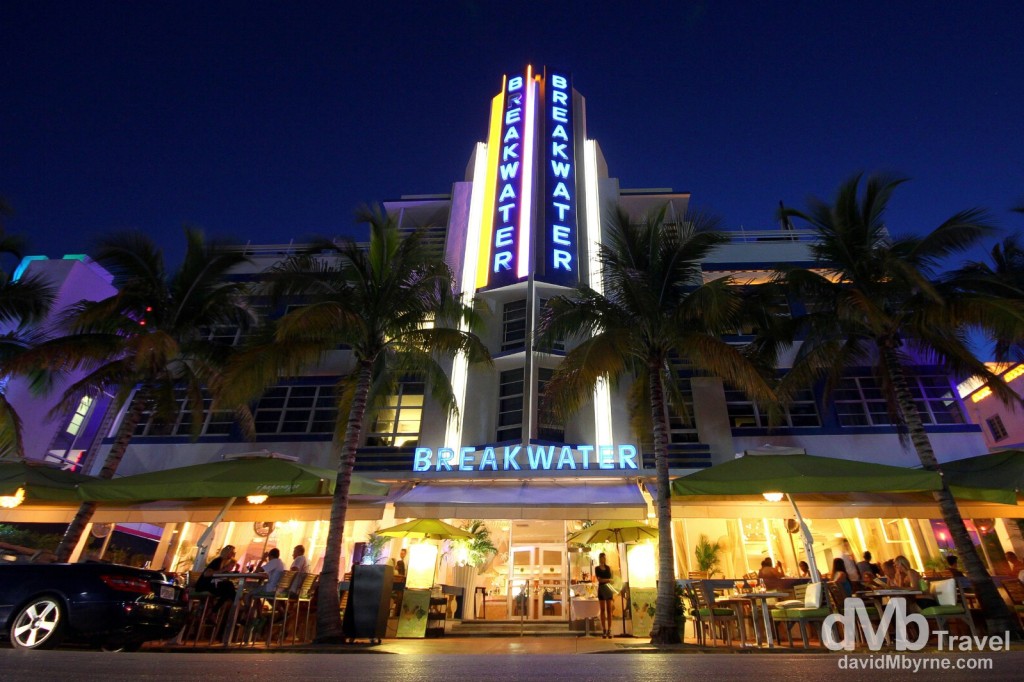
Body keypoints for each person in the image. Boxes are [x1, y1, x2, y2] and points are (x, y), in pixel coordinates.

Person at [595, 552, 615, 638]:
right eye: (602, 557)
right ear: (599, 558)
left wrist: (607, 580)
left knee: (609, 610)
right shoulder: (597, 568)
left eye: (604, 557)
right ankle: (604, 629)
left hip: (608, 589)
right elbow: (599, 580)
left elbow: (611, 579)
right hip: (601, 589)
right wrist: (608, 580)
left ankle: (609, 630)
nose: (603, 559)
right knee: (602, 610)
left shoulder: (608, 568)